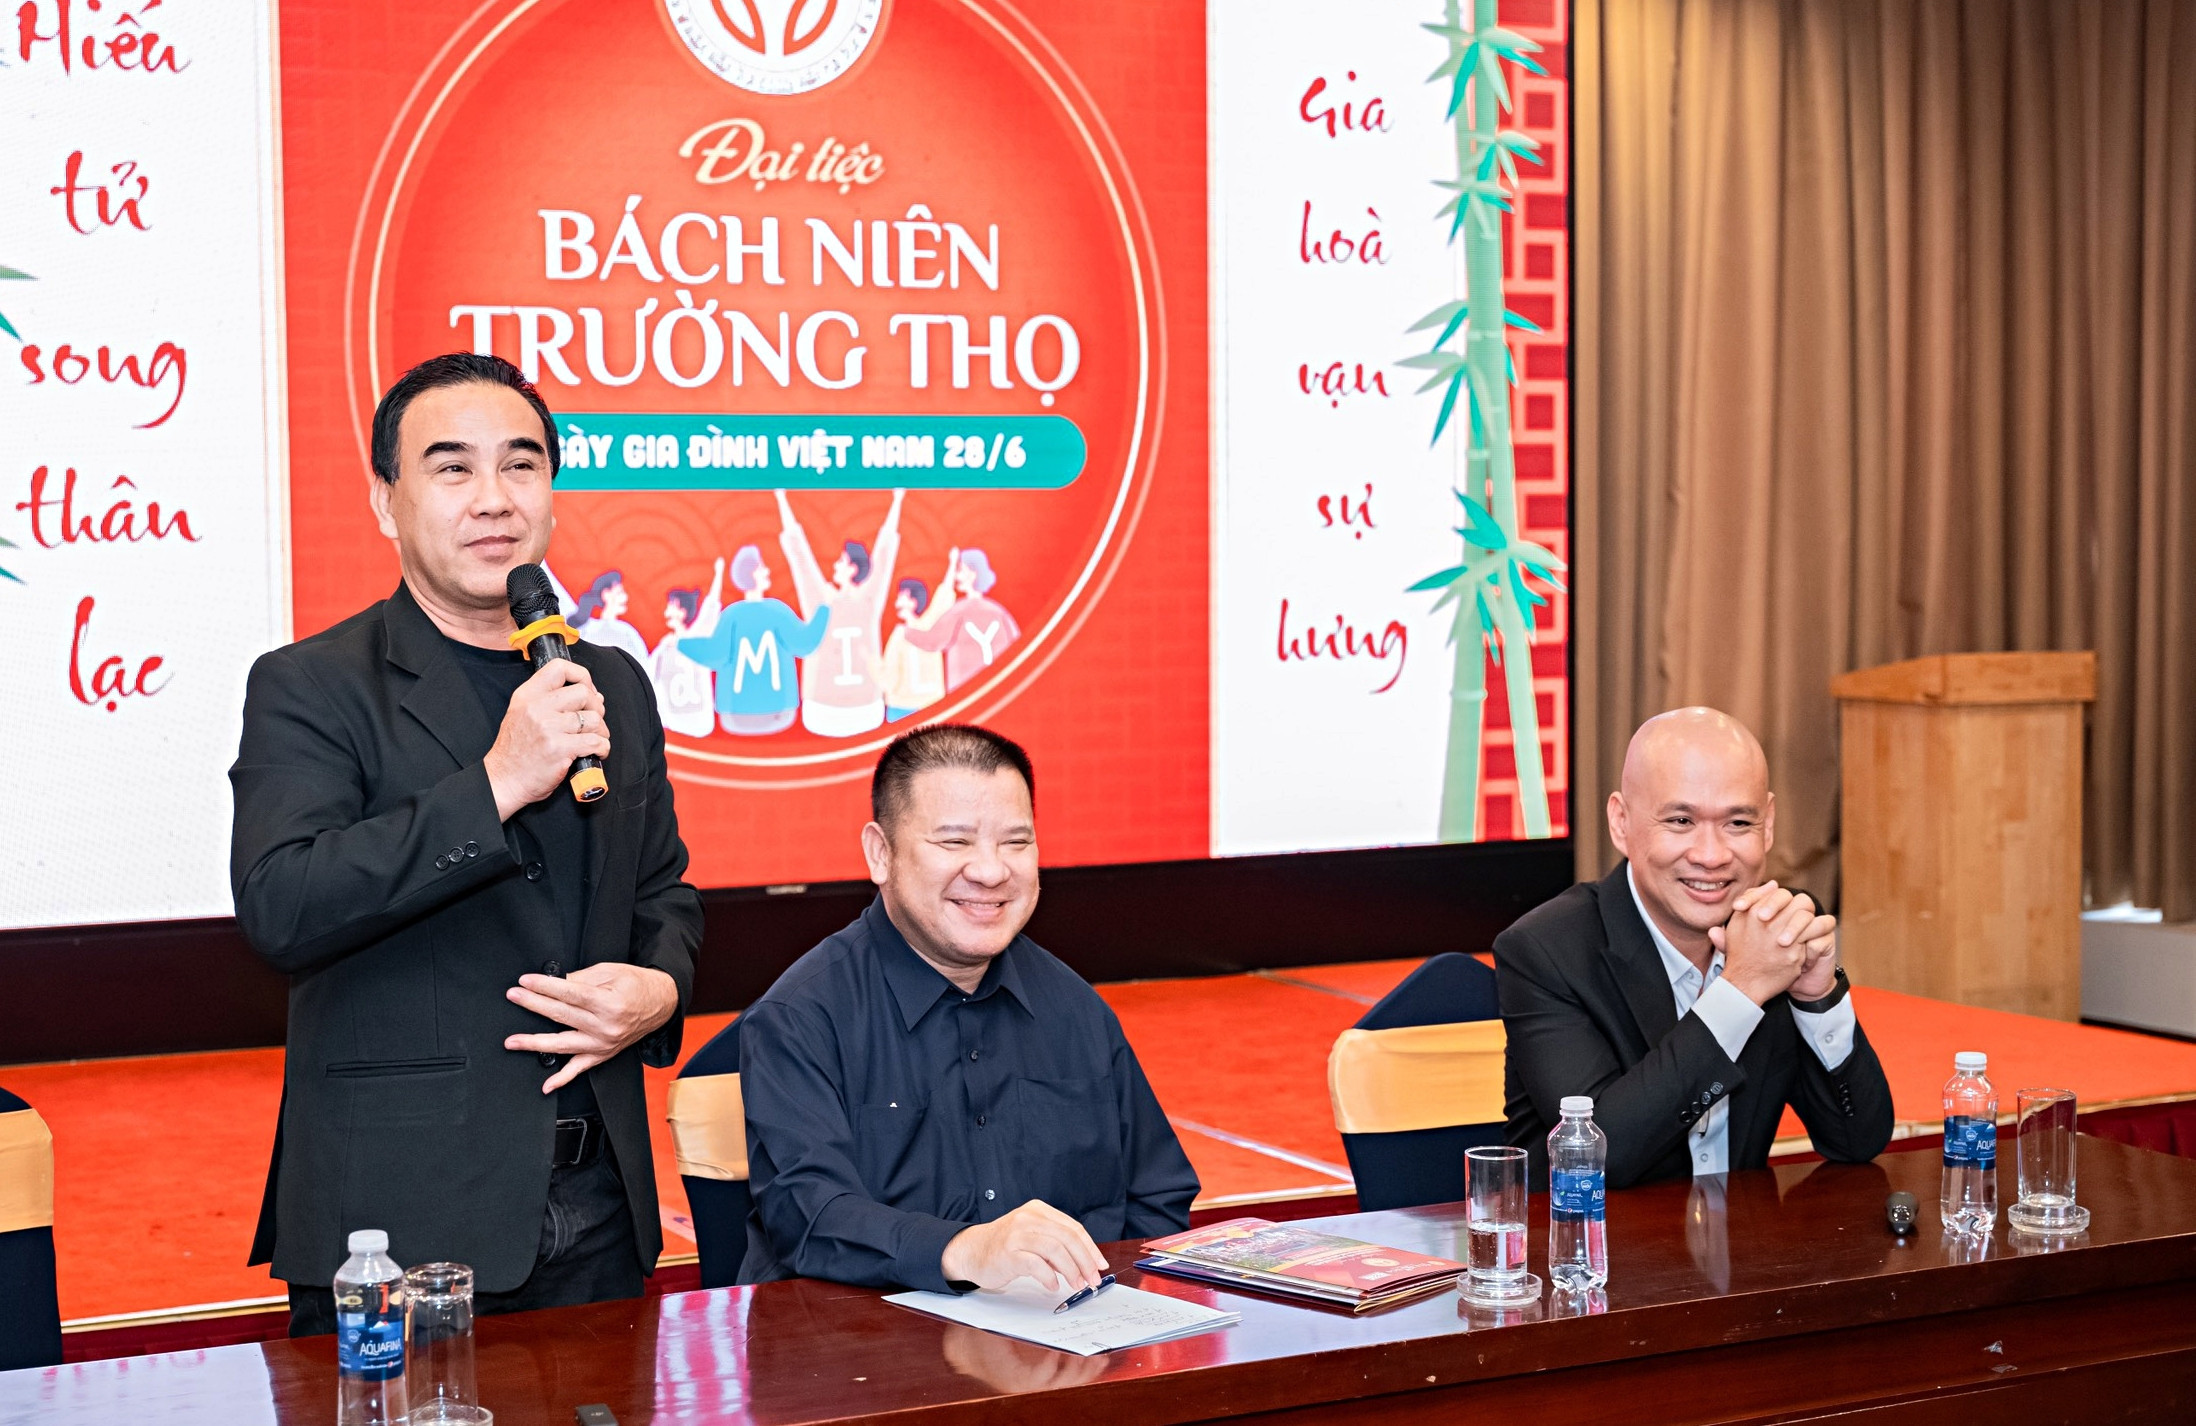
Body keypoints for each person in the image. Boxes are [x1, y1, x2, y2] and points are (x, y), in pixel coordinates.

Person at [228, 352, 701, 1336]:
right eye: (453, 468)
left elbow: (662, 891)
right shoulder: (312, 684)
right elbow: (284, 904)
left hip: (602, 1211)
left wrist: (660, 990)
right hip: (403, 1220)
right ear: (386, 501)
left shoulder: (609, 681)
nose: (494, 498)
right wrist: (498, 783)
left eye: (521, 465)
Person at [738, 723, 1199, 1291]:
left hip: (1066, 1333)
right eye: (955, 843)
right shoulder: (800, 1018)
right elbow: (809, 1216)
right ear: (881, 854)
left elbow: (1157, 1195)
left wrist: (1115, 1307)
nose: (990, 871)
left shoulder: (1076, 1008)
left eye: (1016, 842)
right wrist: (961, 1250)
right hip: (867, 1336)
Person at [1495, 707, 1893, 1189]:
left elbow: (1858, 1141)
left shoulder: (1774, 927)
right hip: (1591, 1235)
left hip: (1741, 1233)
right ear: (1621, 822)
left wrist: (1817, 998)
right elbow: (1596, 1157)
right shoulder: (1547, 950)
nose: (1712, 855)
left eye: (1738, 823)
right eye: (1681, 820)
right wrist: (1740, 991)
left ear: (1768, 825)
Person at [776, 487, 903, 736]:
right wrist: (898, 500)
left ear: (854, 568)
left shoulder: (821, 602)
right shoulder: (867, 602)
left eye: (841, 561)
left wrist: (780, 499)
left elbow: (801, 558)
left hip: (822, 709)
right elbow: (884, 555)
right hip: (865, 708)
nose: (835, 565)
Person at [677, 544, 829, 736]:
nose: (767, 571)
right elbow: (805, 643)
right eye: (761, 567)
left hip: (734, 715)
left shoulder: (731, 615)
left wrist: (682, 643)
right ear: (750, 574)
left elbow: (714, 654)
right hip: (780, 712)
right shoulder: (777, 611)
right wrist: (824, 608)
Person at [904, 547, 1019, 692]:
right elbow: (1018, 646)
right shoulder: (1000, 613)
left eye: (960, 570)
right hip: (999, 687)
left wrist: (907, 632)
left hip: (964, 690)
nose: (957, 576)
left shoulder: (959, 612)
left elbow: (933, 642)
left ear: (973, 573)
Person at [878, 548, 959, 720]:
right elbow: (890, 673)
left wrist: (953, 563)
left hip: (928, 704)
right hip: (902, 707)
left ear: (913, 601)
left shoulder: (927, 625)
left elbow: (943, 598)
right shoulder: (901, 633)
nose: (897, 602)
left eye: (901, 597)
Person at [650, 559, 726, 739]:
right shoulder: (664, 647)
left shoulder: (695, 638)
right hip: (674, 727)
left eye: (671, 606)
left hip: (697, 724)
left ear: (683, 611)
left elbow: (711, 608)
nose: (667, 612)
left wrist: (719, 573)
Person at [571, 569, 651, 667]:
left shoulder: (625, 630)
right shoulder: (590, 630)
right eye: (619, 593)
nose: (625, 597)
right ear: (606, 594)